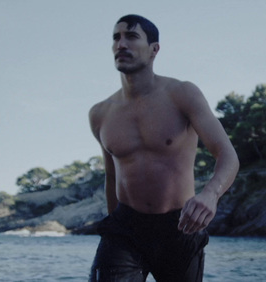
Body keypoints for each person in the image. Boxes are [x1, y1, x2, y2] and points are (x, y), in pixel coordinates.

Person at [88, 14, 239, 281]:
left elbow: (227, 155)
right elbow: (112, 176)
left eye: (131, 37)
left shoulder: (182, 94)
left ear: (154, 49)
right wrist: (113, 226)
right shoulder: (100, 114)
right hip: (125, 229)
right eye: (116, 37)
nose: (121, 44)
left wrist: (210, 195)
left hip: (180, 226)